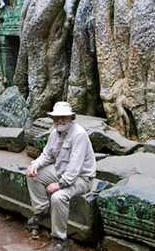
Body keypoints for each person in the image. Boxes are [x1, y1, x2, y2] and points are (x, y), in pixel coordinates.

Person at [26, 101, 96, 251]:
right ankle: (42, 210)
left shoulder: (79, 134)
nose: (59, 120)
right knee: (33, 175)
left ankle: (60, 239)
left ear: (70, 117)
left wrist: (60, 185)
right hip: (60, 172)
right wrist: (35, 165)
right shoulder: (54, 133)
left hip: (81, 179)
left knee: (58, 197)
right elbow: (47, 155)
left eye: (63, 117)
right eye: (56, 117)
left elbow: (75, 167)